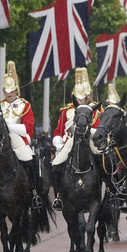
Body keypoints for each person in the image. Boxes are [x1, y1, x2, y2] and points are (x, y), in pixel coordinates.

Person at [0, 61, 45, 212]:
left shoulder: (25, 105)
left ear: (16, 90)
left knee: (30, 157)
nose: (8, 93)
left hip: (17, 138)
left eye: (11, 91)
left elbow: (28, 128)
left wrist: (9, 127)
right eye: (6, 90)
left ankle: (35, 193)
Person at [50, 67, 101, 212]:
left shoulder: (94, 109)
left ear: (87, 96)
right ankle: (59, 196)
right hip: (71, 140)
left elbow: (99, 128)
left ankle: (109, 191)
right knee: (56, 165)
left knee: (103, 160)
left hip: (89, 138)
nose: (80, 99)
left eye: (82, 97)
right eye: (77, 97)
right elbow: (58, 130)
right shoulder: (66, 111)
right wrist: (58, 140)